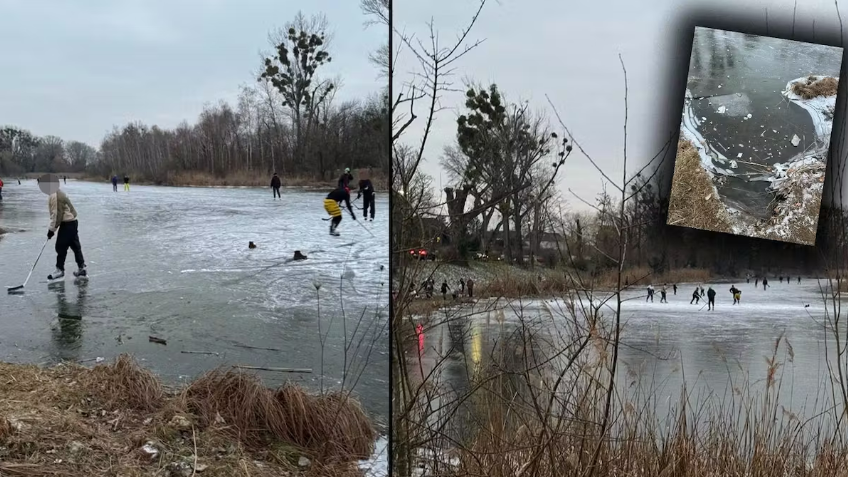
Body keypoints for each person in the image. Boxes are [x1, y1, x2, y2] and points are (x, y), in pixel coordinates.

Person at [47, 185, 87, 280]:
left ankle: (60, 270)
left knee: (61, 247)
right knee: (75, 246)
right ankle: (81, 268)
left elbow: (57, 215)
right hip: (72, 222)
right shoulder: (59, 192)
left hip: (67, 224)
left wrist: (51, 230)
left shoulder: (55, 195)